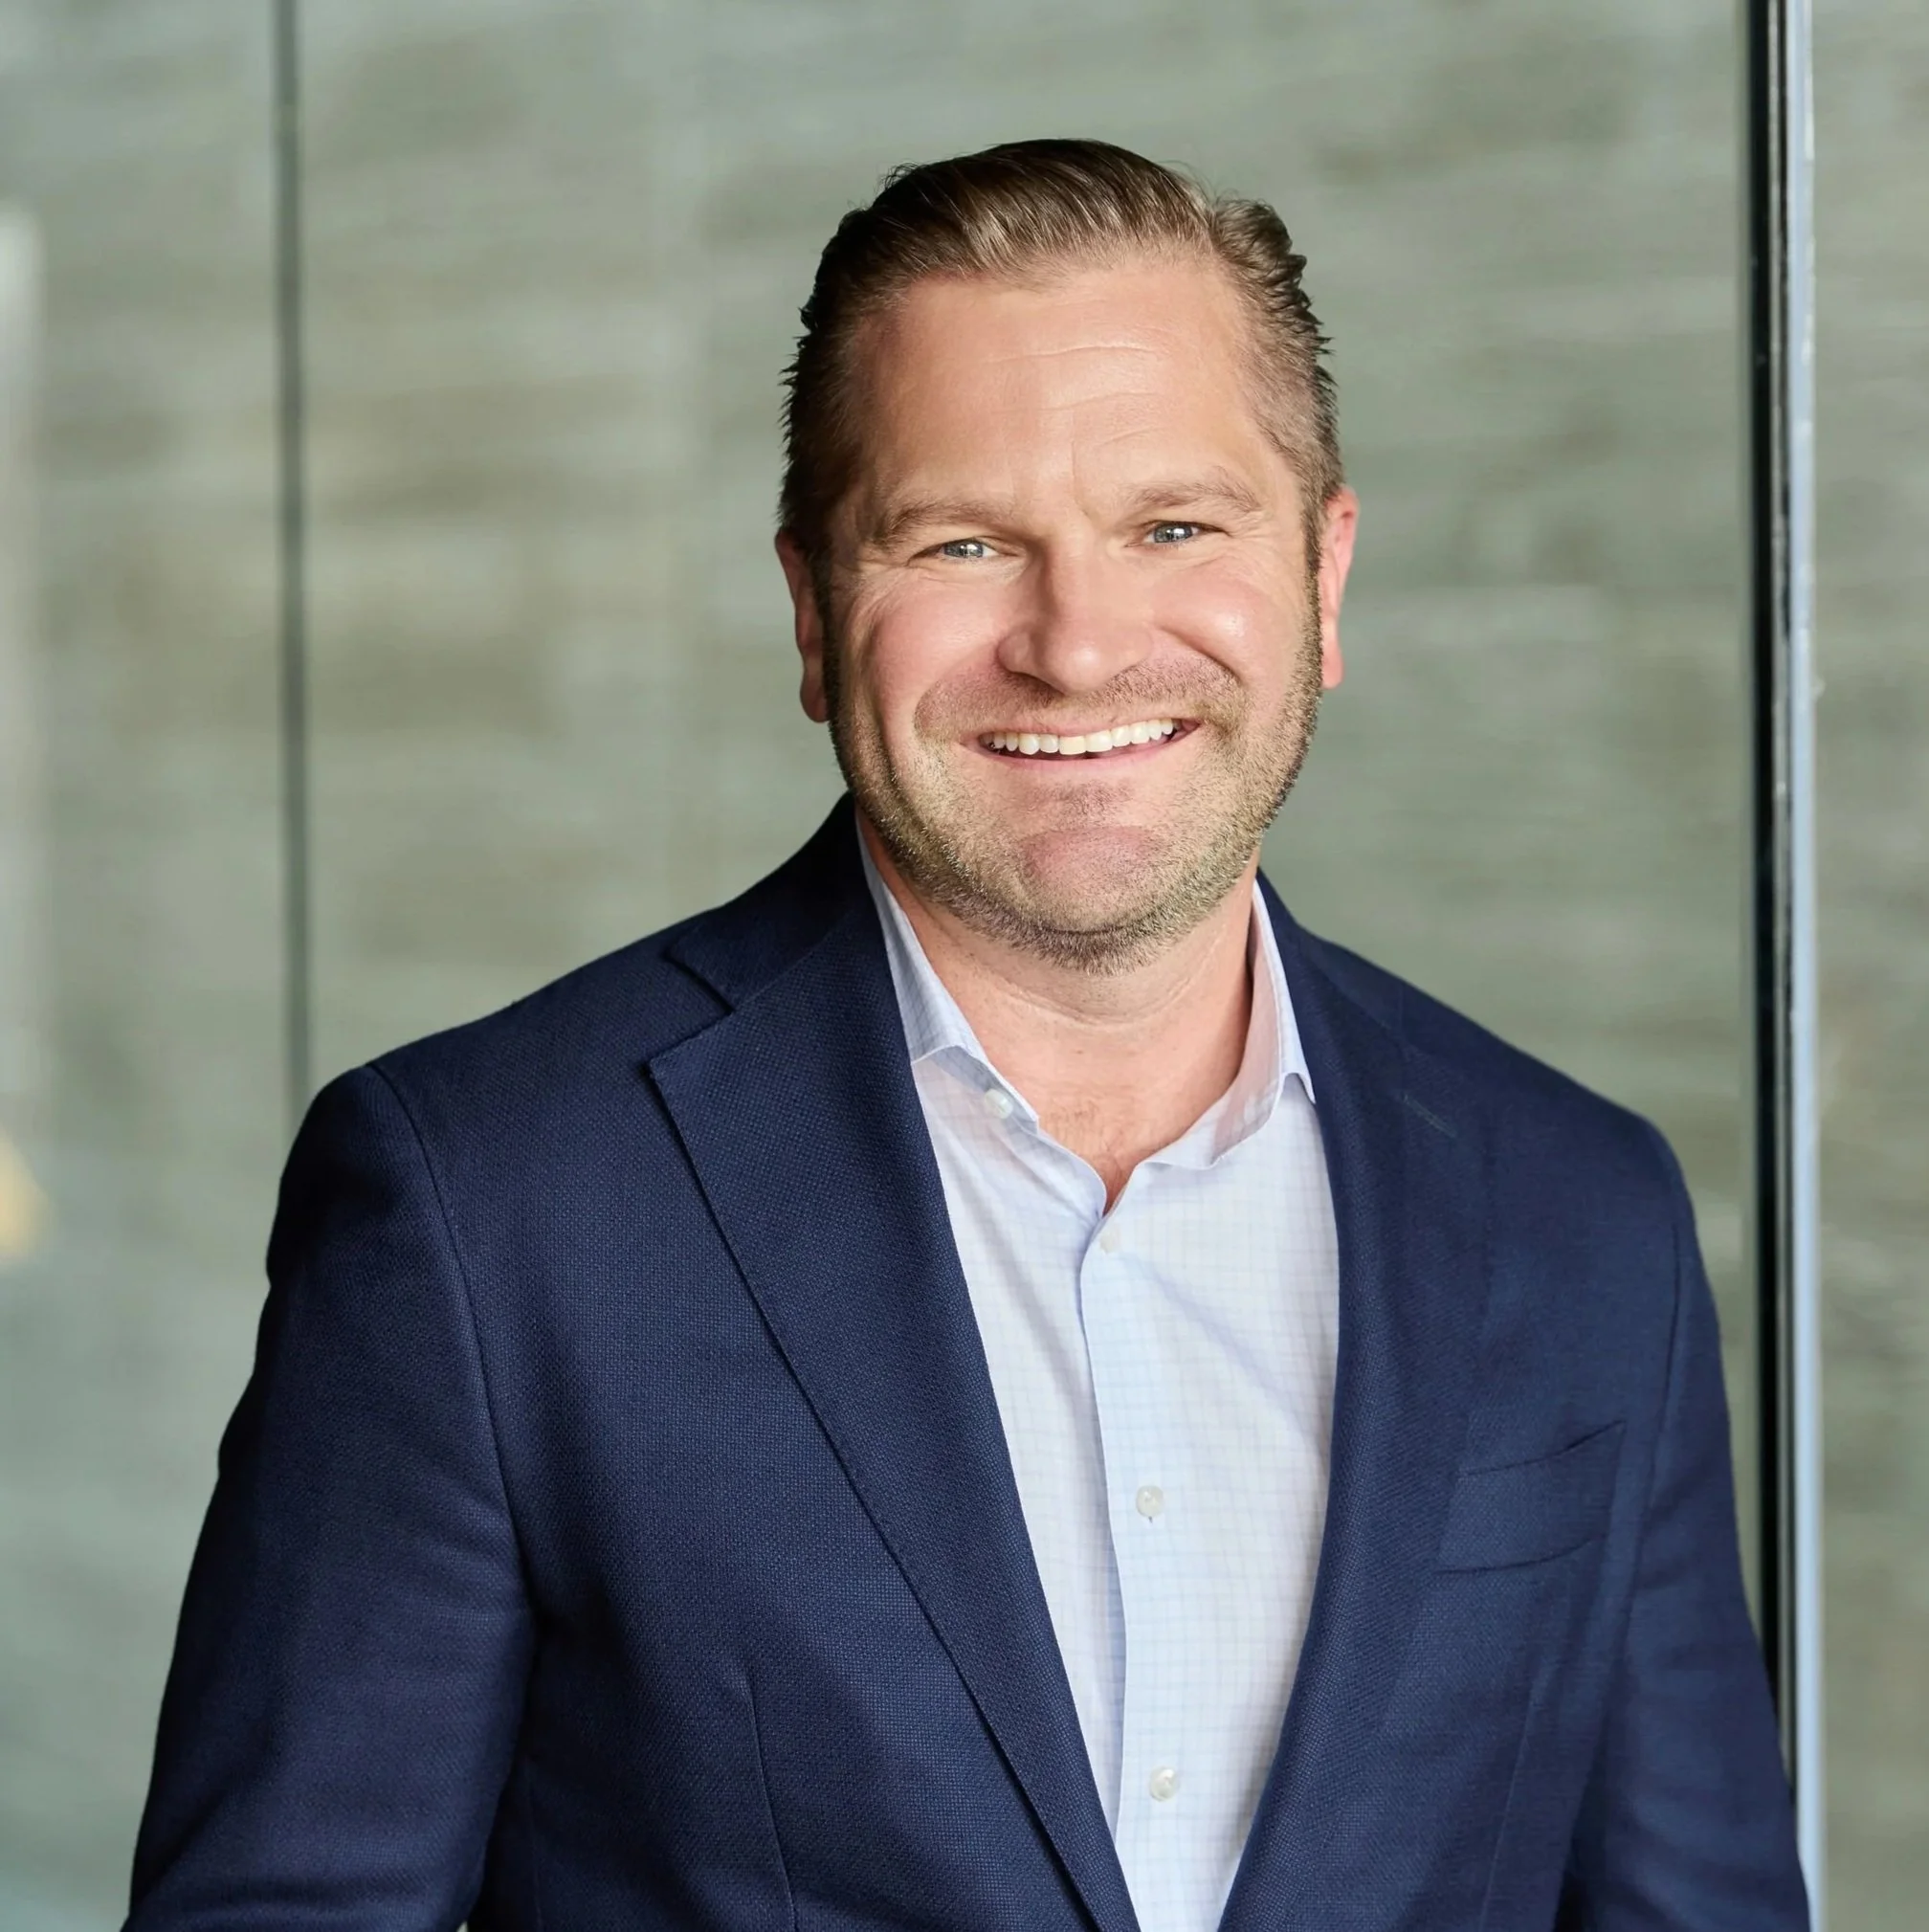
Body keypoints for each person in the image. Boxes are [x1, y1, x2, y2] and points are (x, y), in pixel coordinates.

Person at [127, 140, 1807, 1932]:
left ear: (1324, 576)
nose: (1075, 646)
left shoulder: (1582, 1213)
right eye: (963, 542)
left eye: (1173, 526)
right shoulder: (486, 1206)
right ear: (810, 609)